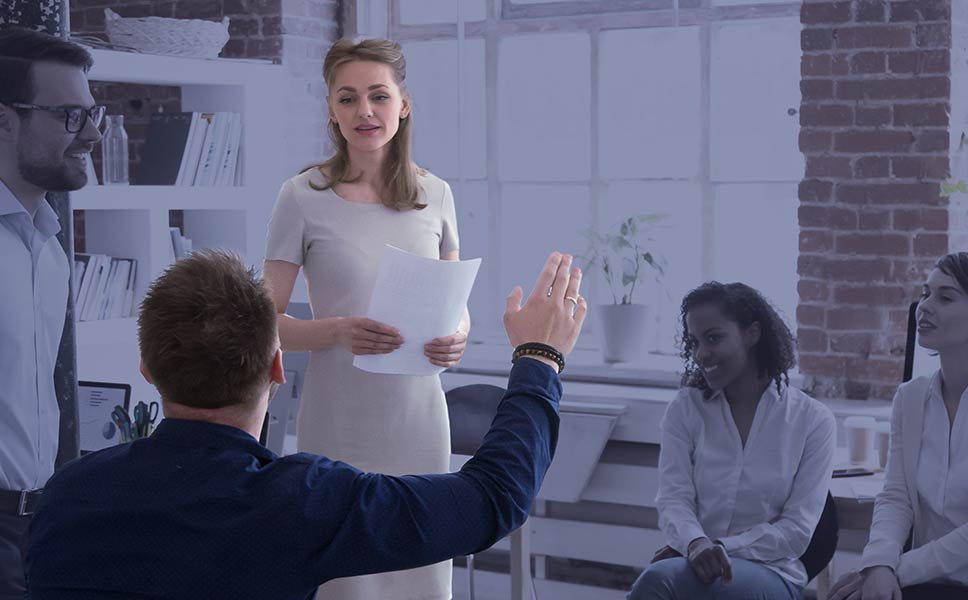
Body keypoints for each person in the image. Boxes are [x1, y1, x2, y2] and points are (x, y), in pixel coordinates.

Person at [24, 250, 587, 599]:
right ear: (276, 367)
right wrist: (539, 357)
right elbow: (493, 499)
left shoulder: (65, 495)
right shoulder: (301, 503)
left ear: (147, 371)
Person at [262, 38, 468, 599]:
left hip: (419, 420)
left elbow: (456, 303)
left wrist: (457, 338)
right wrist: (335, 331)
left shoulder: (436, 194)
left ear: (403, 104)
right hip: (338, 420)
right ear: (331, 108)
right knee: (345, 579)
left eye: (379, 96)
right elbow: (263, 321)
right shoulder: (301, 196)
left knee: (421, 574)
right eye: (348, 98)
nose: (365, 112)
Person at [830, 252, 968, 600]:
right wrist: (878, 564)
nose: (925, 307)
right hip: (931, 584)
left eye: (945, 297)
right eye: (925, 293)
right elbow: (896, 498)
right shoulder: (911, 398)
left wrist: (894, 570)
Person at [627, 282, 835, 600]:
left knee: (660, 581)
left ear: (752, 334)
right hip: (693, 565)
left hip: (773, 573)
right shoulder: (685, 409)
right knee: (661, 580)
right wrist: (696, 544)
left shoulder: (812, 420)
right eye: (694, 342)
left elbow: (797, 531)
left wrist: (721, 548)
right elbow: (673, 501)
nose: (701, 353)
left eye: (714, 338)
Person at [0, 27, 100, 599]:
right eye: (69, 115)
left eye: (91, 113)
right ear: (5, 120)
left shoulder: (49, 246)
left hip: (38, 523)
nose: (90, 134)